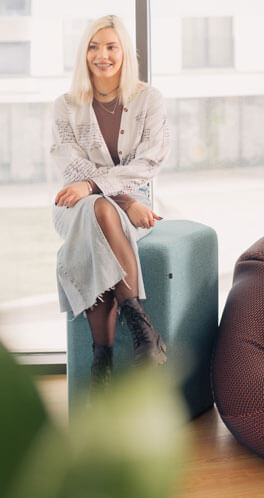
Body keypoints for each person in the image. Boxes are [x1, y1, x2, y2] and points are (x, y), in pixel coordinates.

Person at [51, 15, 170, 388]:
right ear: (83, 53)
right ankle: (142, 331)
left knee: (97, 215)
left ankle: (100, 365)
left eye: (111, 46)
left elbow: (148, 162)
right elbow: (70, 167)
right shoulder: (66, 105)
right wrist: (117, 198)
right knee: (97, 211)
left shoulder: (149, 100)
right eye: (93, 46)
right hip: (74, 203)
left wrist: (102, 190)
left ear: (124, 53)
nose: (102, 55)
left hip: (127, 198)